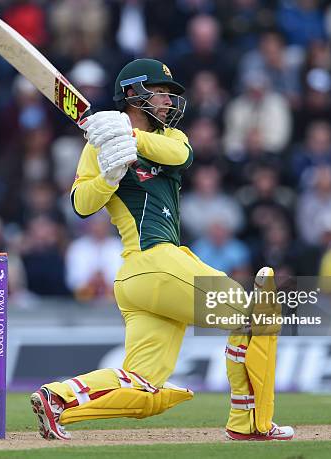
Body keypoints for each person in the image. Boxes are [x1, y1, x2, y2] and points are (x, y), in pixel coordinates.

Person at [29, 58, 294, 442]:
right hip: (151, 262)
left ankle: (59, 398)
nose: (169, 102)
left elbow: (181, 157)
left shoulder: (171, 137)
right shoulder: (99, 146)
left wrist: (128, 136)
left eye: (171, 95)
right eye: (162, 93)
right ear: (134, 93)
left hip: (149, 278)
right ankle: (250, 423)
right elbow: (82, 204)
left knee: (142, 386)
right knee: (255, 317)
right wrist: (108, 176)